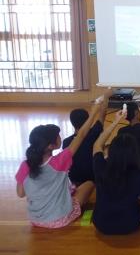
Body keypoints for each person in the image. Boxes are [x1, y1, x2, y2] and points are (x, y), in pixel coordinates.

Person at [15, 97, 104, 228]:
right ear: (51, 145)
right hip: (59, 219)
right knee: (89, 184)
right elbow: (81, 135)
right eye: (57, 135)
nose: (60, 137)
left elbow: (21, 193)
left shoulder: (25, 165)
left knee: (70, 188)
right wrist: (94, 112)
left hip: (35, 219)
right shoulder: (60, 161)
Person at [92, 109, 140, 235]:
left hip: (101, 223)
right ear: (135, 153)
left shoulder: (101, 166)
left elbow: (97, 144)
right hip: (130, 224)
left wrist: (116, 121)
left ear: (111, 150)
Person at [63, 89, 113, 184]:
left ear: (72, 123)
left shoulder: (66, 142)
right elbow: (102, 115)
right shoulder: (94, 133)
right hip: (93, 176)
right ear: (87, 121)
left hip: (75, 178)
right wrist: (106, 97)